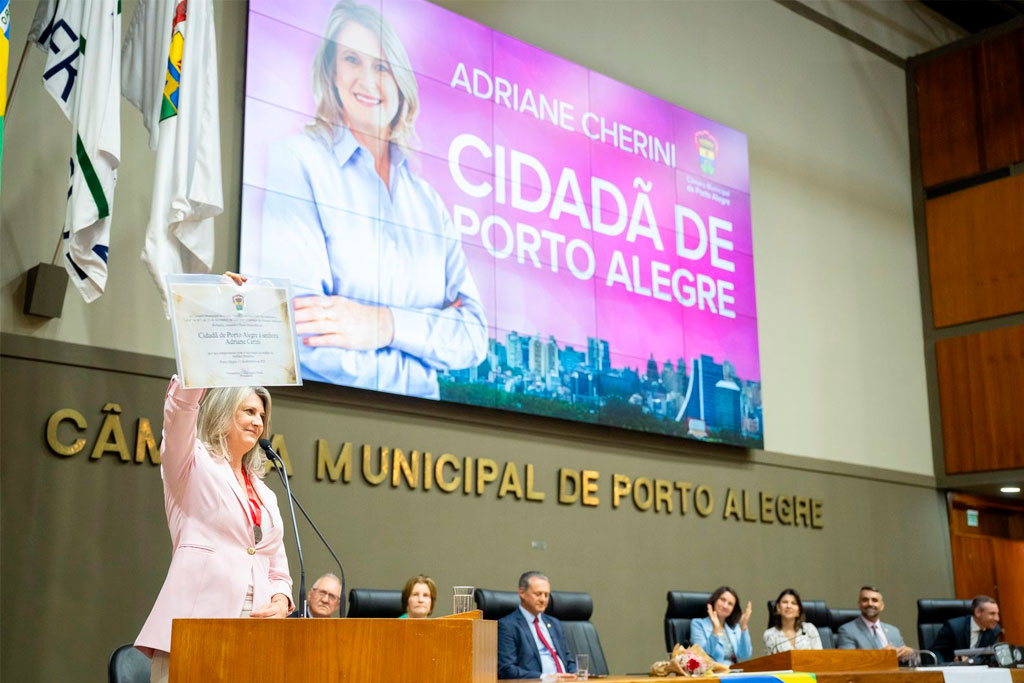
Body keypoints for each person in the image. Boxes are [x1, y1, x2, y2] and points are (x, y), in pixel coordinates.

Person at [258, 0, 487, 400]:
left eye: (382, 66)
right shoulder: (298, 161)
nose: (367, 80)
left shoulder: (429, 204)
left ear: (401, 81)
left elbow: (474, 336)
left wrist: (383, 325)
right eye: (351, 59)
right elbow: (305, 334)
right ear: (331, 71)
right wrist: (422, 352)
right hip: (331, 419)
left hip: (430, 436)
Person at [135, 271, 293, 683]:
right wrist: (215, 315)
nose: (259, 421)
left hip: (253, 640)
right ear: (222, 413)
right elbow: (180, 415)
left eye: (262, 415)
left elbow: (277, 564)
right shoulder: (191, 467)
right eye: (248, 411)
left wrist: (281, 598)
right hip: (194, 631)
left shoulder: (266, 493)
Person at [497, 571, 577, 680]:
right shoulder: (507, 626)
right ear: (522, 593)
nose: (543, 600)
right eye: (538, 594)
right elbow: (506, 669)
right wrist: (545, 677)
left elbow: (568, 661)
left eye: (546, 595)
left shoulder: (554, 623)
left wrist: (575, 674)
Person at [836, 586, 914, 661]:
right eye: (865, 600)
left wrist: (911, 654)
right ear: (859, 605)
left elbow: (908, 661)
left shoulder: (894, 631)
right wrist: (881, 655)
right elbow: (848, 661)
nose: (870, 604)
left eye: (874, 600)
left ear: (882, 606)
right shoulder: (847, 631)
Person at [690, 586, 754, 664]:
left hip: (734, 672)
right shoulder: (698, 624)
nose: (725, 606)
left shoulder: (734, 627)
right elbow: (701, 656)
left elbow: (745, 655)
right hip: (712, 673)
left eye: (730, 604)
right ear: (714, 600)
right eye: (722, 600)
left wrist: (743, 628)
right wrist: (715, 630)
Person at [930, 595, 1001, 663]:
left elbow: (992, 656)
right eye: (992, 614)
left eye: (997, 614)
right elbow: (936, 651)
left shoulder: (994, 630)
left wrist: (971, 661)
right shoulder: (954, 627)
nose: (997, 619)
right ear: (977, 612)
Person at [762, 588, 823, 654]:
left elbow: (820, 657)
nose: (789, 606)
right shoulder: (770, 634)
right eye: (785, 602)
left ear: (799, 610)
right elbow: (770, 662)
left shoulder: (809, 629)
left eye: (793, 603)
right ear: (778, 607)